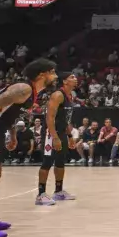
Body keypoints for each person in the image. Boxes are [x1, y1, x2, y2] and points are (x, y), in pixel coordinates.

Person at [0, 58, 58, 237]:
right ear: (42, 74)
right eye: (53, 72)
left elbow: (8, 112)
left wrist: (13, 133)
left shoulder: (29, 92)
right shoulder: (23, 88)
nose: (56, 76)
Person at [36, 71, 77, 206]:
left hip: (61, 132)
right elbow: (49, 118)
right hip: (50, 132)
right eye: (72, 77)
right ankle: (41, 195)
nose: (75, 79)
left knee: (60, 162)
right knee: (47, 162)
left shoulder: (70, 96)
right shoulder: (58, 95)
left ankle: (58, 191)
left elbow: (65, 120)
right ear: (64, 81)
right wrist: (54, 137)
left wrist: (70, 136)